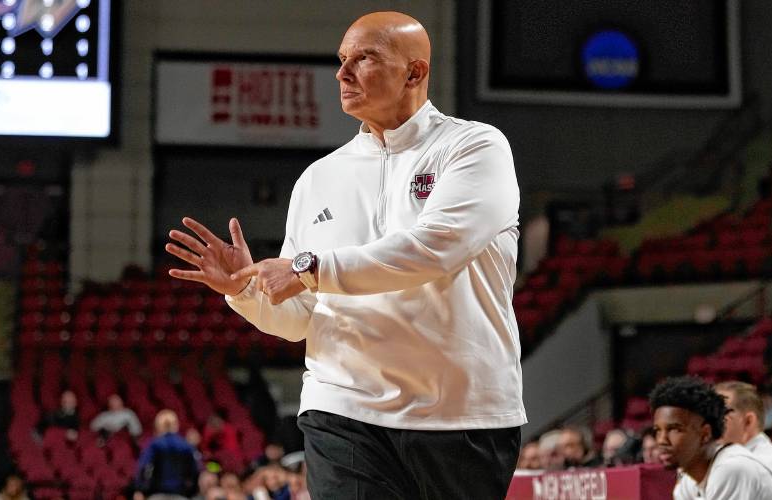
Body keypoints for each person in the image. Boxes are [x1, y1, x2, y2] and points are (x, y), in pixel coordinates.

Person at [165, 10, 525, 499]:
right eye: (341, 60)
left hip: (461, 412)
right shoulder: (318, 178)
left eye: (364, 58)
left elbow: (433, 248)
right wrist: (249, 290)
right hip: (344, 407)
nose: (342, 73)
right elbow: (299, 318)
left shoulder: (475, 147)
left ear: (415, 73)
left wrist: (309, 268)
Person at [650, 376, 772, 499]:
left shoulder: (734, 466)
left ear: (705, 433)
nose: (662, 440)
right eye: (657, 430)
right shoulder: (691, 476)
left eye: (675, 429)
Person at [135, 409, 201, 499]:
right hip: (180, 494)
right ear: (176, 425)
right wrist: (192, 491)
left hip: (157, 494)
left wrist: (141, 489)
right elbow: (196, 470)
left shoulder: (154, 444)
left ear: (158, 425)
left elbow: (143, 467)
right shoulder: (186, 445)